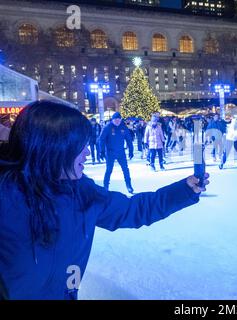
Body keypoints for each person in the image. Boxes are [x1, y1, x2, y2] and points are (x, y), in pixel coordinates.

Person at [0, 100, 209, 299]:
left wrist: (183, 190)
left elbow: (133, 210)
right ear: (54, 148)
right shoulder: (6, 198)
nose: (88, 152)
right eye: (79, 146)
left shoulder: (83, 193)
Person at [99, 112, 134, 193]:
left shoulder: (123, 127)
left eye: (119, 120)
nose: (118, 122)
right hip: (110, 153)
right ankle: (105, 186)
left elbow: (128, 139)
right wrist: (101, 151)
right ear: (113, 120)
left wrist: (131, 150)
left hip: (121, 152)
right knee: (109, 170)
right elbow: (101, 139)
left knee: (125, 169)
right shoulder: (107, 127)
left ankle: (129, 185)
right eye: (116, 120)